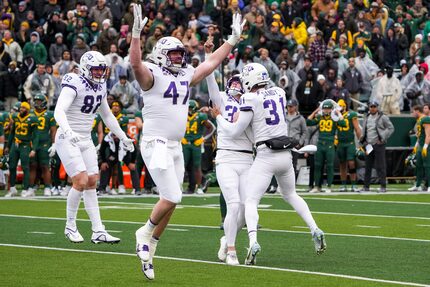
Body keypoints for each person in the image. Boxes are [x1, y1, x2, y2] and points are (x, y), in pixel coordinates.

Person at [130, 4, 245, 280]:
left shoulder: (183, 75)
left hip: (174, 145)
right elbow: (135, 63)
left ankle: (152, 245)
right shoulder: (152, 74)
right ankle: (144, 232)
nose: (179, 58)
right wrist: (135, 34)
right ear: (160, 54)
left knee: (171, 201)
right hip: (155, 142)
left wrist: (232, 40)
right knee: (173, 196)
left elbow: (210, 63)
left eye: (181, 53)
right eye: (174, 53)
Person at [212, 63, 326, 266]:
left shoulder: (250, 98)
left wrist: (219, 116)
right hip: (285, 154)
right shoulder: (279, 92)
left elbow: (235, 131)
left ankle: (253, 242)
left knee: (250, 201)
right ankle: (314, 228)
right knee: (291, 195)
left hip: (265, 155)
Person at [54, 50, 135, 244]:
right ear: (85, 68)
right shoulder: (74, 81)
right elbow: (59, 110)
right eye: (96, 70)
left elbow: (107, 116)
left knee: (92, 181)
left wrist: (123, 136)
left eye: (102, 69)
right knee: (80, 180)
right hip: (68, 137)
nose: (99, 73)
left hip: (85, 138)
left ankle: (98, 230)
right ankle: (70, 226)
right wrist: (67, 130)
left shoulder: (100, 87)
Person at [206, 42, 252, 265]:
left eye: (239, 81)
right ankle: (232, 251)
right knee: (233, 204)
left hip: (247, 158)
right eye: (232, 81)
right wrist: (208, 54)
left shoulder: (251, 102)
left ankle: (227, 238)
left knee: (245, 209)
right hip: (226, 156)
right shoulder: (222, 100)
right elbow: (210, 80)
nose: (235, 84)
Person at [307, 100, 346, 193]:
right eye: (324, 108)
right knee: (318, 165)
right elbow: (308, 122)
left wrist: (338, 113)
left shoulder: (334, 118)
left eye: (328, 108)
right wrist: (315, 111)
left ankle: (329, 186)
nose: (326, 110)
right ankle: (317, 186)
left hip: (329, 143)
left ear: (331, 109)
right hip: (320, 143)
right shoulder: (319, 117)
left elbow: (343, 123)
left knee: (330, 166)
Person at [4, 102, 39, 197]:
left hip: (25, 145)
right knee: (11, 166)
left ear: (27, 110)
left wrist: (33, 149)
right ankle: (12, 189)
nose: (21, 109)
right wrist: (7, 146)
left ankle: (25, 189)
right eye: (21, 108)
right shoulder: (15, 117)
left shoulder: (32, 119)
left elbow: (36, 136)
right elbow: (12, 132)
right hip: (15, 145)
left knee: (25, 167)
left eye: (23, 108)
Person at [359, 101, 394, 193]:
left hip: (379, 145)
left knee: (380, 166)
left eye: (374, 106)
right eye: (371, 107)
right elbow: (365, 130)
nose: (372, 108)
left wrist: (383, 138)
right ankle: (366, 186)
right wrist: (363, 141)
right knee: (368, 166)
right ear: (369, 107)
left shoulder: (383, 117)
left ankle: (383, 186)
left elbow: (391, 128)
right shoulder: (366, 117)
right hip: (368, 145)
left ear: (377, 107)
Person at [182, 100, 215, 194]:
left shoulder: (200, 116)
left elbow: (212, 128)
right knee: (182, 165)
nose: (188, 110)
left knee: (197, 166)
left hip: (196, 143)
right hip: (185, 143)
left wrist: (203, 138)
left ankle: (200, 187)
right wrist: (181, 137)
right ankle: (179, 186)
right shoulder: (182, 116)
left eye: (190, 108)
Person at [29, 93, 57, 197]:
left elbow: (53, 131)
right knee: (32, 166)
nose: (37, 103)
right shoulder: (31, 114)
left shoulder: (49, 114)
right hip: (32, 143)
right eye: (36, 101)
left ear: (44, 102)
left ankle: (47, 187)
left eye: (39, 101)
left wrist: (54, 144)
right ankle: (31, 188)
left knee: (45, 166)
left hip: (45, 143)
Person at [336, 99, 361, 192]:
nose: (339, 108)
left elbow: (357, 128)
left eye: (341, 106)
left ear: (345, 106)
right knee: (342, 164)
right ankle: (343, 185)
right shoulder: (336, 116)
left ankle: (354, 184)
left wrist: (360, 141)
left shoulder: (351, 115)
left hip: (350, 142)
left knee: (351, 163)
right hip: (340, 143)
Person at [408, 105, 427, 191]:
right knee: (419, 165)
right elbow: (419, 135)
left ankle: (429, 186)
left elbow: (428, 134)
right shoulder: (419, 120)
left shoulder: (425, 119)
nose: (412, 113)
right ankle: (418, 184)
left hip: (426, 145)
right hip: (420, 144)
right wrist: (416, 145)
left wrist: (426, 146)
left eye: (413, 111)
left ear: (417, 111)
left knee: (427, 166)